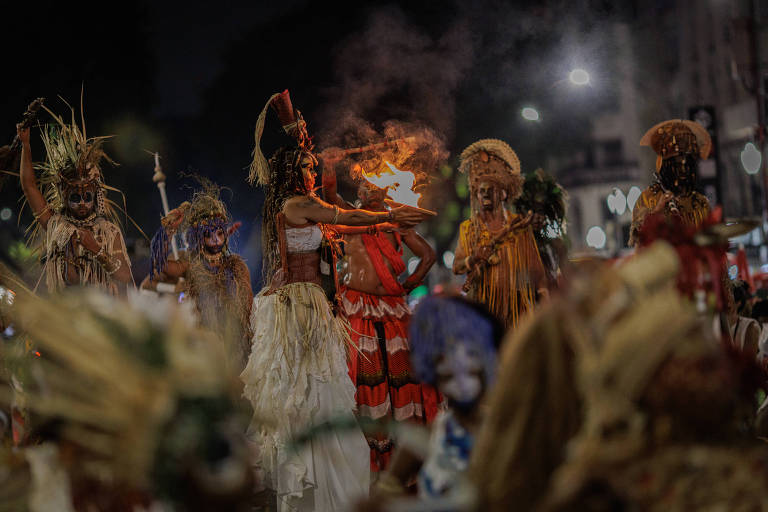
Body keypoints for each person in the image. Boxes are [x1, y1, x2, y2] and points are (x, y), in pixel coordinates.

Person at [240, 91, 431, 511]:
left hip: (312, 304)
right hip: (302, 307)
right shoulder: (298, 204)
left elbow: (340, 226)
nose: (310, 175)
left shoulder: (298, 204)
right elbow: (345, 218)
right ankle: (313, 479)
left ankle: (323, 474)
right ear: (293, 174)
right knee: (308, 390)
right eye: (305, 169)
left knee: (320, 389)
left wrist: (385, 218)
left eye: (312, 170)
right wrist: (387, 217)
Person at [322, 160, 440, 474]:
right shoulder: (350, 215)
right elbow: (329, 191)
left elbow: (428, 255)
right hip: (357, 307)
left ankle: (402, 454)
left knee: (401, 376)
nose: (368, 188)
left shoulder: (396, 221)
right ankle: (370, 454)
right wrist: (330, 162)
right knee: (365, 377)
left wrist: (410, 283)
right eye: (363, 184)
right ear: (359, 188)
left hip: (392, 308)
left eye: (374, 185)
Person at [17, 109, 132, 295]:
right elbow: (29, 186)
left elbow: (125, 276)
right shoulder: (56, 225)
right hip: (66, 313)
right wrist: (26, 145)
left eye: (87, 197)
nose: (82, 204)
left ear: (96, 197)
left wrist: (96, 249)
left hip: (99, 313)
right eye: (75, 198)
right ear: (64, 196)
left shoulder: (109, 233)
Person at [145, 177, 253, 370]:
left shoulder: (236, 266)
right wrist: (168, 231)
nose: (216, 240)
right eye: (209, 235)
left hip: (235, 345)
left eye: (220, 233)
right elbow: (160, 268)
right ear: (197, 237)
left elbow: (249, 310)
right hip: (202, 343)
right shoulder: (189, 264)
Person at [452, 139, 546, 330]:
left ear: (503, 194)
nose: (485, 195)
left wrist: (543, 303)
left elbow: (537, 274)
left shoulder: (519, 225)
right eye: (480, 191)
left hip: (518, 316)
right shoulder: (468, 228)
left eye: (490, 190)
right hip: (484, 315)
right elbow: (457, 266)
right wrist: (474, 258)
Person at [629, 119, 712, 246]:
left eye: (687, 164)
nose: (683, 170)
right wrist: (657, 211)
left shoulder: (701, 202)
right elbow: (638, 237)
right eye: (678, 164)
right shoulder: (648, 198)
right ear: (666, 166)